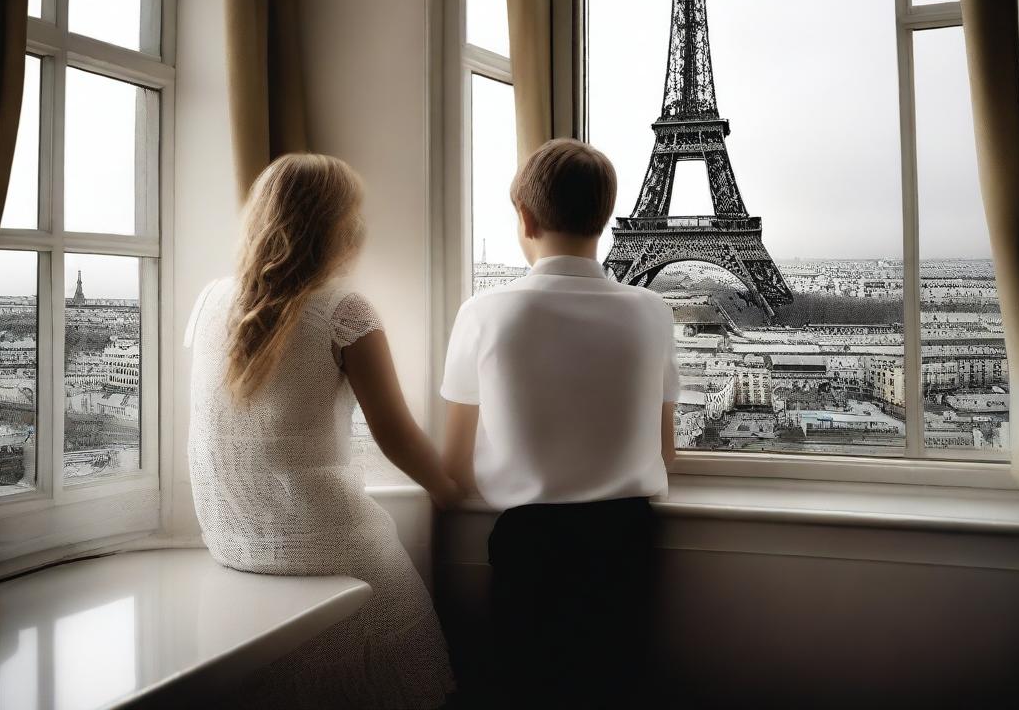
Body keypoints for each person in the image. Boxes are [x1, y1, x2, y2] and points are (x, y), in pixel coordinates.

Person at [186, 153, 457, 709]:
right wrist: (454, 492)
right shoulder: (343, 310)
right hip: (323, 540)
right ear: (338, 226)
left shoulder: (212, 300)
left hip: (231, 541)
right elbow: (396, 434)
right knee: (413, 668)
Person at [441, 138, 678, 708]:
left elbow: (454, 464)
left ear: (524, 217)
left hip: (533, 546)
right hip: (627, 540)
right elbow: (666, 453)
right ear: (606, 218)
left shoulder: (484, 312)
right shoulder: (653, 311)